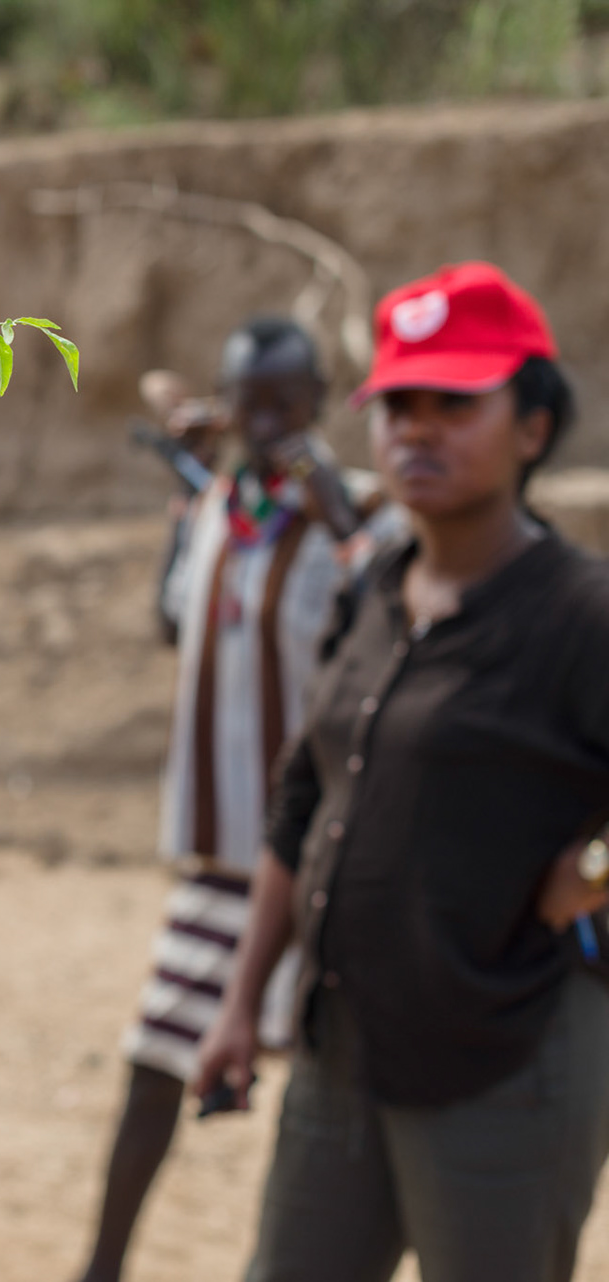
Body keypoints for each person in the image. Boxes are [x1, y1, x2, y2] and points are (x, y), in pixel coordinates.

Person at [196, 262, 609, 1282]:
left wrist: (592, 867)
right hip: (342, 1049)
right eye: (399, 406)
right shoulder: (377, 589)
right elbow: (304, 803)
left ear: (533, 428)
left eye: (456, 404)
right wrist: (244, 1002)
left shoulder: (579, 614)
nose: (418, 430)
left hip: (506, 1055)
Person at [73, 317, 401, 1282]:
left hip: (335, 848)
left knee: (341, 1095)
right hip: (223, 845)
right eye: (248, 402)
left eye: (283, 404)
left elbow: (388, 623)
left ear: (321, 400)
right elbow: (175, 622)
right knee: (155, 1061)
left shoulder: (370, 515)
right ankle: (100, 1270)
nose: (265, 422)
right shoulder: (220, 505)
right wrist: (188, 490)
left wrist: (339, 516)